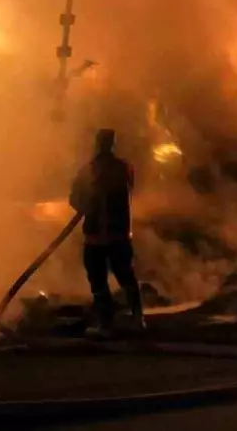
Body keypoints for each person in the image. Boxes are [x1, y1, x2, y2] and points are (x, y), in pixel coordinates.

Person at [69, 128, 145, 338]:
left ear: (97, 144)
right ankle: (138, 319)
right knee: (126, 276)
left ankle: (106, 324)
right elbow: (130, 187)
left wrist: (86, 203)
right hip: (119, 234)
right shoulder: (124, 168)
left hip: (96, 238)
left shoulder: (88, 170)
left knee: (99, 281)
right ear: (113, 144)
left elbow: (74, 198)